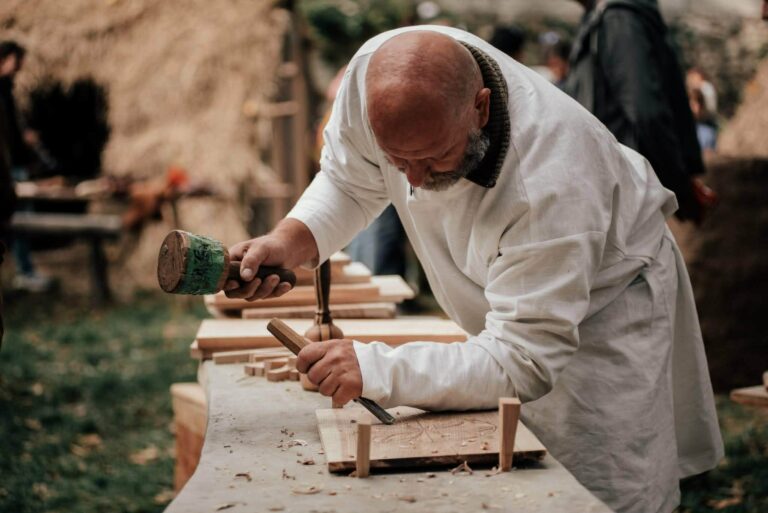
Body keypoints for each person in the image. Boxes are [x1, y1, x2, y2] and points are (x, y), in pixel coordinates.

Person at [225, 27, 722, 513]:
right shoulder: (371, 79)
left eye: (432, 157)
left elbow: (522, 359)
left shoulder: (552, 179)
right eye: (397, 160)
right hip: (514, 304)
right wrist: (288, 240)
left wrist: (377, 369)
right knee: (511, 472)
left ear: (480, 109)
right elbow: (349, 180)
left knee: (598, 484)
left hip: (604, 308)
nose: (414, 180)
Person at [564, 0, 712, 224]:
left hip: (622, 200)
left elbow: (647, 115)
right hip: (608, 197)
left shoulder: (619, 20)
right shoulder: (604, 19)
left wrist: (680, 189)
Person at [0, 40, 51, 292]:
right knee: (18, 217)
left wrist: (24, 139)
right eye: (16, 60)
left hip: (13, 165)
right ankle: (24, 271)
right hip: (6, 168)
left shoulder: (7, 91)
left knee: (21, 216)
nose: (19, 67)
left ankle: (24, 269)